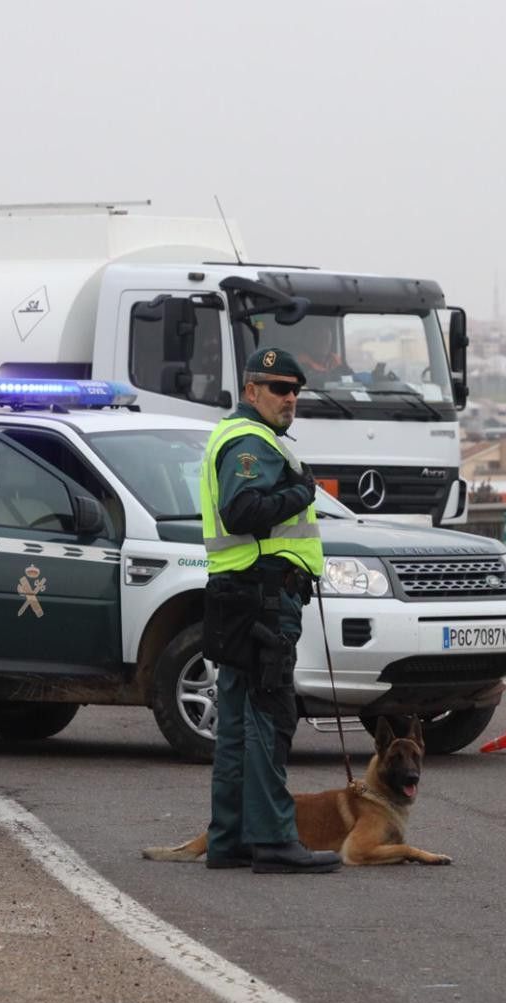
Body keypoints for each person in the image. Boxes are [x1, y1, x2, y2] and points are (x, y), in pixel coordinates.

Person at [199, 346, 342, 874]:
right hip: (262, 595)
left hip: (243, 594)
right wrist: (301, 492)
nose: (290, 398)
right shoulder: (248, 441)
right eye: (279, 389)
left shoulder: (243, 436)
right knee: (268, 718)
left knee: (237, 721)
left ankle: (230, 839)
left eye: (295, 390)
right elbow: (242, 512)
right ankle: (274, 839)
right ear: (251, 391)